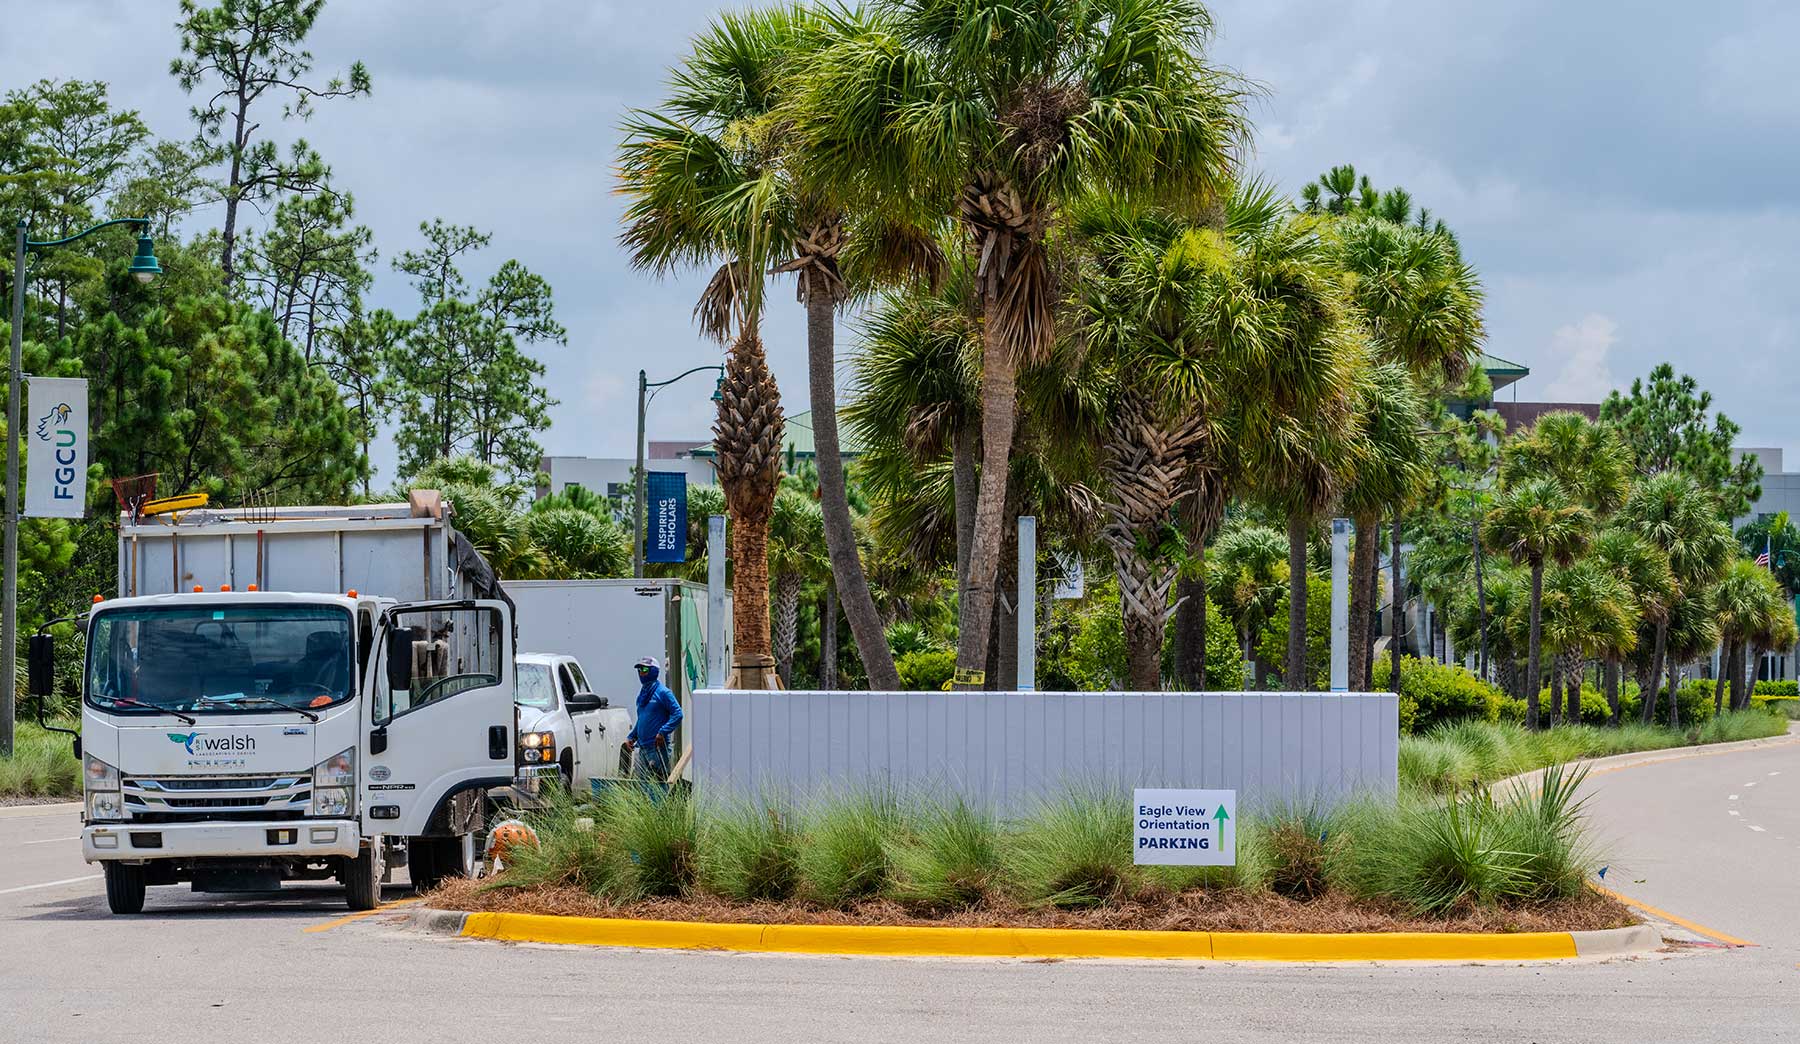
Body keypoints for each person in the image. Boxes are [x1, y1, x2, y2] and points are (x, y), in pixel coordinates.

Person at [623, 656, 682, 781]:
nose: (641, 673)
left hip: (657, 749)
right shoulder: (642, 695)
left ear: (654, 671)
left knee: (657, 785)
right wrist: (632, 736)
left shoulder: (663, 693)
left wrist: (663, 732)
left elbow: (678, 713)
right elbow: (642, 719)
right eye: (639, 670)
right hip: (642, 749)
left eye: (644, 669)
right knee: (642, 787)